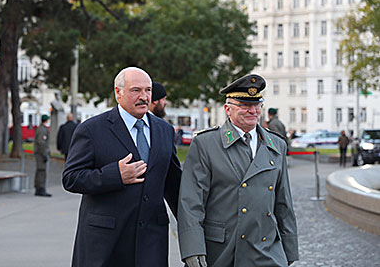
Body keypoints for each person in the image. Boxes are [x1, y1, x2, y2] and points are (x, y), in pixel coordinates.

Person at [62, 67, 182, 267]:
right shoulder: (91, 130)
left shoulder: (165, 131)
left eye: (148, 90)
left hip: (151, 242)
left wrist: (195, 231)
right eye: (136, 90)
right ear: (118, 93)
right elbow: (71, 178)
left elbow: (174, 186)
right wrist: (115, 175)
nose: (144, 97)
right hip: (106, 243)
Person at [178, 74, 299, 267]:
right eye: (244, 105)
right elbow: (191, 202)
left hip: (265, 249)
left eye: (257, 105)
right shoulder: (206, 144)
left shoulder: (276, 144)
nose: (252, 111)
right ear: (228, 109)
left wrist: (290, 247)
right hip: (221, 249)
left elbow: (283, 202)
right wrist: (193, 248)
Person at [34, 114, 52, 197]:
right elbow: (41, 143)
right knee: (42, 171)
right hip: (41, 153)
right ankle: (40, 188)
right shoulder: (43, 130)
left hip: (40, 152)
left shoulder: (41, 129)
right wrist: (45, 154)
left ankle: (39, 187)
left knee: (40, 171)